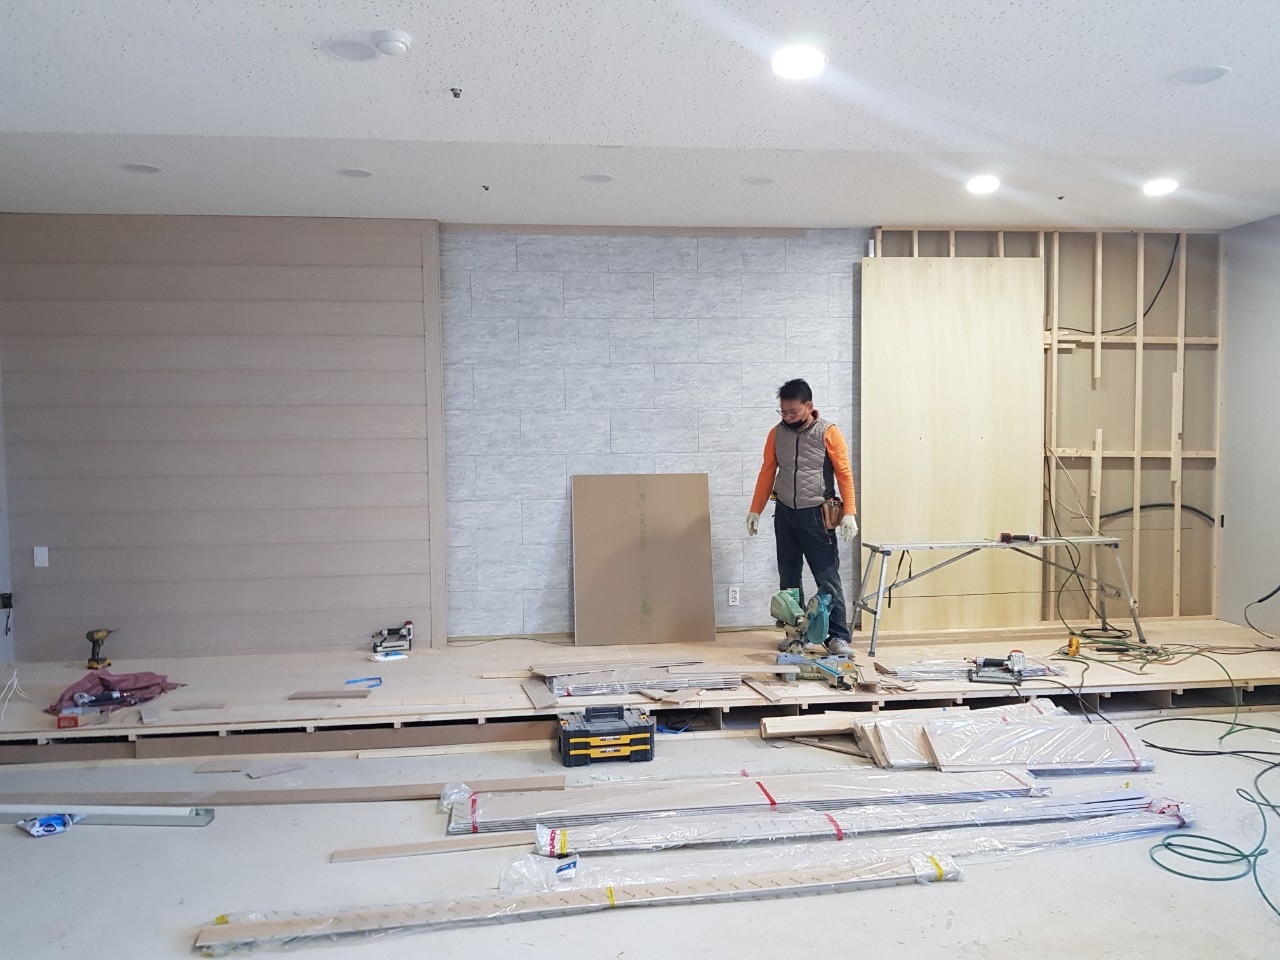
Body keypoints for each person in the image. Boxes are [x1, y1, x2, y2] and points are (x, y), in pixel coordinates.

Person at [747, 379, 859, 654]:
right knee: (788, 576)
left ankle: (838, 636)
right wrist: (755, 509)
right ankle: (795, 634)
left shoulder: (828, 432)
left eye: (793, 411)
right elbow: (767, 472)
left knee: (827, 577)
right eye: (783, 411)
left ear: (809, 406)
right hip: (785, 513)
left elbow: (844, 473)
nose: (787, 416)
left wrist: (849, 512)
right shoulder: (776, 434)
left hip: (817, 515)